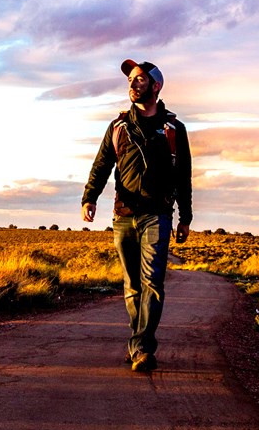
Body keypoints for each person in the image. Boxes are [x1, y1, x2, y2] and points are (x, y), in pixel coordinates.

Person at [80, 58, 192, 372]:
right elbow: (102, 165)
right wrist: (90, 197)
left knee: (152, 283)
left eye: (140, 78)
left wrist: (185, 217)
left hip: (157, 215)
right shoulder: (118, 127)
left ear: (156, 86)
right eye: (131, 79)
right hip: (124, 215)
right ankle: (138, 342)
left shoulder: (173, 129)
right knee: (132, 285)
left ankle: (142, 347)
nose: (133, 83)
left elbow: (183, 175)